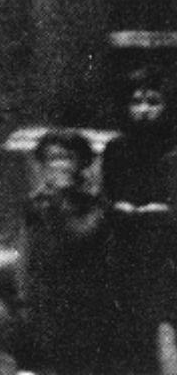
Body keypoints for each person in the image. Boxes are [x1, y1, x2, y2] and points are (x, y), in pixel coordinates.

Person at [20, 128, 115, 375]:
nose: (59, 165)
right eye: (52, 158)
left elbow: (80, 235)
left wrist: (60, 201)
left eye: (67, 158)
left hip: (86, 299)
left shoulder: (94, 202)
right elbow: (29, 251)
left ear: (81, 163)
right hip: (48, 297)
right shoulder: (37, 203)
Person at [104, 69, 177, 375]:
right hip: (128, 244)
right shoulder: (117, 148)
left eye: (153, 101)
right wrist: (117, 207)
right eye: (136, 101)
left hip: (167, 249)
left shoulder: (174, 150)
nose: (144, 109)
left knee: (163, 319)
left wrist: (164, 211)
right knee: (129, 319)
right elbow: (108, 195)